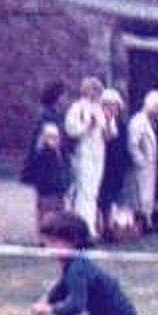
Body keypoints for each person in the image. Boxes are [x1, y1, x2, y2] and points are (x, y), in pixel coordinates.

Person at [64, 76, 107, 239]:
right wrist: (87, 126)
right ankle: (83, 226)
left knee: (94, 191)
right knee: (84, 191)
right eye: (93, 89)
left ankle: (91, 224)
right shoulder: (77, 107)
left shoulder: (99, 108)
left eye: (98, 89)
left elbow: (105, 130)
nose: (96, 92)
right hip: (83, 152)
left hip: (99, 151)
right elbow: (71, 129)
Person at [23, 122, 70, 236]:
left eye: (56, 137)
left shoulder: (61, 153)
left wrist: (66, 185)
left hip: (59, 190)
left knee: (59, 215)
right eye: (51, 137)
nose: (55, 140)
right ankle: (44, 237)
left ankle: (56, 235)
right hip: (47, 191)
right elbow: (38, 174)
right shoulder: (42, 154)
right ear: (44, 138)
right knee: (46, 215)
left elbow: (65, 170)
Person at [127, 90, 158, 233]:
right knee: (142, 195)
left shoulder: (156, 121)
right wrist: (140, 161)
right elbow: (132, 144)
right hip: (143, 164)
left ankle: (149, 220)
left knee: (150, 194)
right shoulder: (138, 121)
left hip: (154, 162)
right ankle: (143, 223)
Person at [97, 88, 129, 238]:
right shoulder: (101, 123)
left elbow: (123, 143)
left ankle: (114, 226)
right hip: (104, 164)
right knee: (104, 197)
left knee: (115, 196)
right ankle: (105, 226)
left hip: (117, 165)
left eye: (115, 106)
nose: (112, 109)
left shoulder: (121, 124)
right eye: (108, 106)